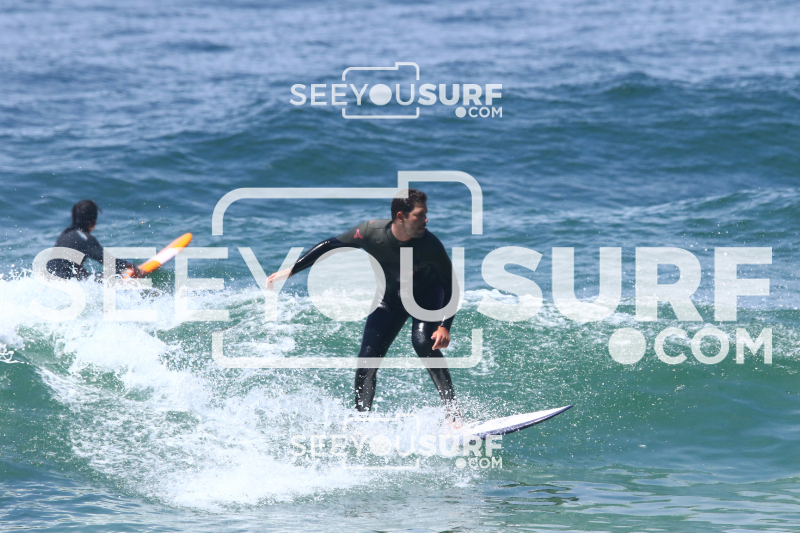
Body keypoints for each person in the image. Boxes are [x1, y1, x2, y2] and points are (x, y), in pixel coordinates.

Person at [267, 189, 462, 421]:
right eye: (419, 215)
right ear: (401, 216)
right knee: (366, 361)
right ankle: (362, 422)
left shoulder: (430, 245)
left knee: (423, 343)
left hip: (426, 298)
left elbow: (451, 286)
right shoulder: (370, 232)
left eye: (425, 214)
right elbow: (330, 244)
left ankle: (453, 414)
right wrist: (290, 270)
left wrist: (444, 326)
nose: (426, 220)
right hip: (390, 301)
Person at [47, 200, 144, 280]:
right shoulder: (84, 238)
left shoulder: (65, 235)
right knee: (115, 274)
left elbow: (64, 265)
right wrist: (131, 265)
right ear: (93, 220)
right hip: (66, 282)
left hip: (51, 278)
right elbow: (107, 260)